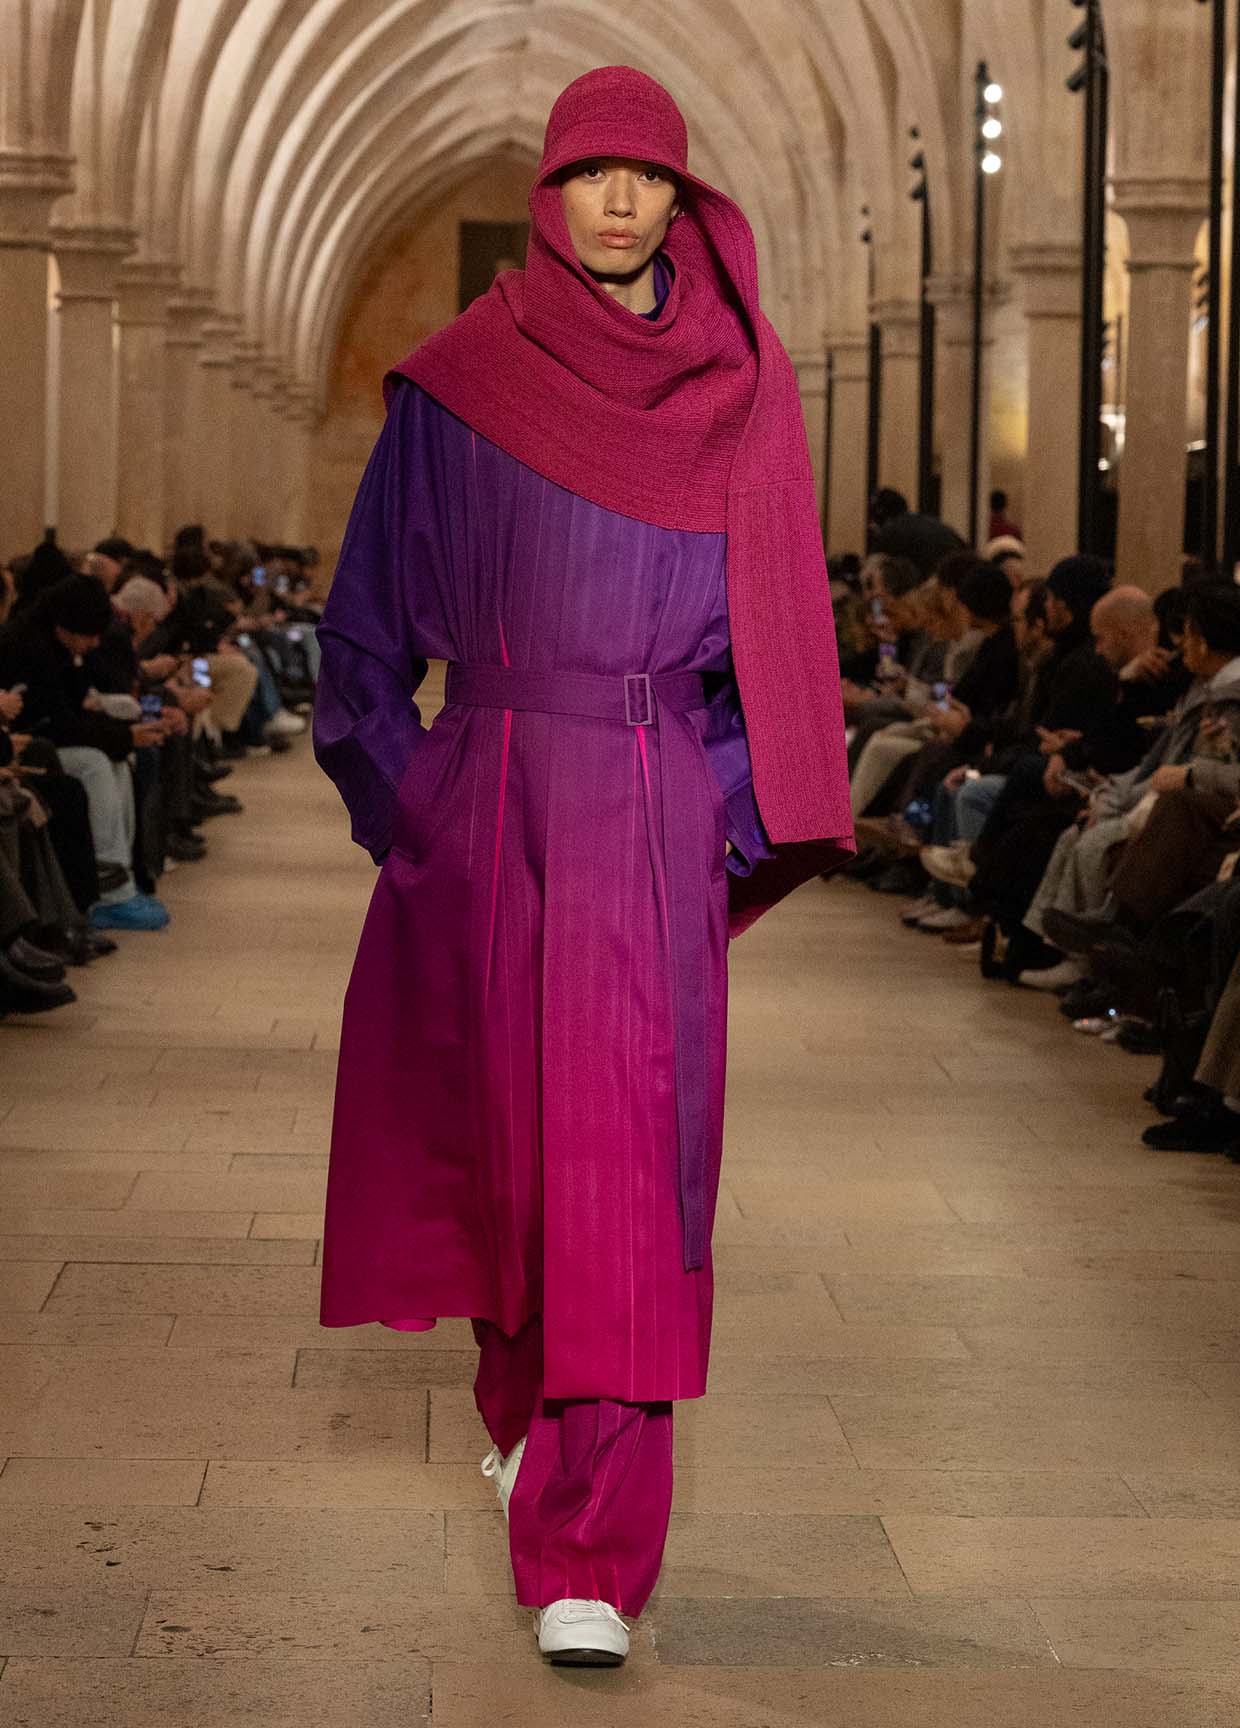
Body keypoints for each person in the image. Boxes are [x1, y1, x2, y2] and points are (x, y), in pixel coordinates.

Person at [314, 65, 851, 1667]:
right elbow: (362, 632)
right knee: (502, 1161)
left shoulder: (739, 389)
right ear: (547, 196)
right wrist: (414, 813)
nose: (620, 200)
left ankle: (589, 1554)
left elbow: (774, 637)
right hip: (483, 804)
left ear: (685, 198)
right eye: (590, 173)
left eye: (649, 175)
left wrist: (713, 820)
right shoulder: (457, 386)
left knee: (624, 1177)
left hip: (643, 798)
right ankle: (524, 1414)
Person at [868, 487, 965, 579]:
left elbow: (870, 572)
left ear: (880, 514)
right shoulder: (935, 523)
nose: (870, 525)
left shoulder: (892, 530)